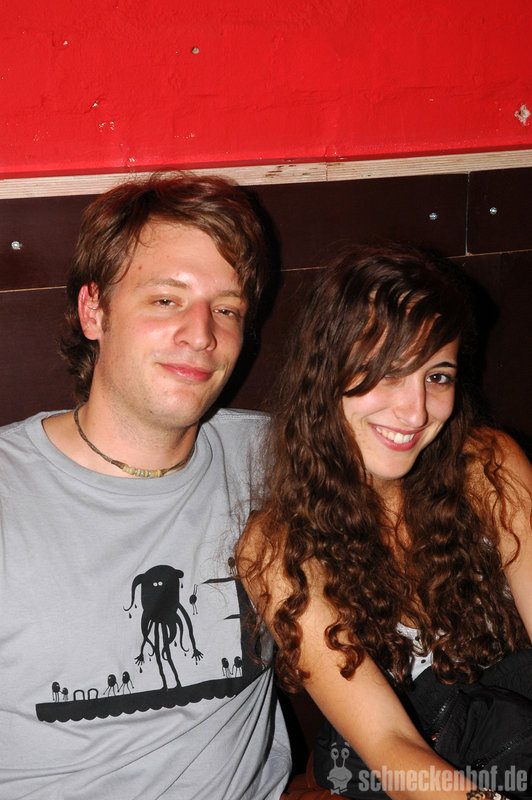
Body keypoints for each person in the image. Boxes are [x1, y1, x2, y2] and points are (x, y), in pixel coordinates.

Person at [0, 173, 291, 799]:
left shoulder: (278, 461)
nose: (202, 334)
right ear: (94, 311)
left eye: (226, 309)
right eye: (165, 299)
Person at [238, 246, 532, 800]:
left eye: (437, 376)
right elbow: (389, 744)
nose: (416, 410)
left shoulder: (488, 467)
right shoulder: (278, 548)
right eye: (389, 371)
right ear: (325, 373)